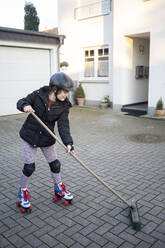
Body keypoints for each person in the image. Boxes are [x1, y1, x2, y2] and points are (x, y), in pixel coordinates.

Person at [16, 72, 74, 210]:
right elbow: (21, 101)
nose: (65, 95)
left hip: (47, 138)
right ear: (54, 89)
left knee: (55, 164)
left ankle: (59, 187)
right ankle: (22, 191)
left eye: (67, 92)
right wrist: (25, 106)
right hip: (29, 136)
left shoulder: (64, 106)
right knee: (29, 167)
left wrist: (69, 143)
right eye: (63, 92)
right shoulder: (38, 95)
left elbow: (63, 126)